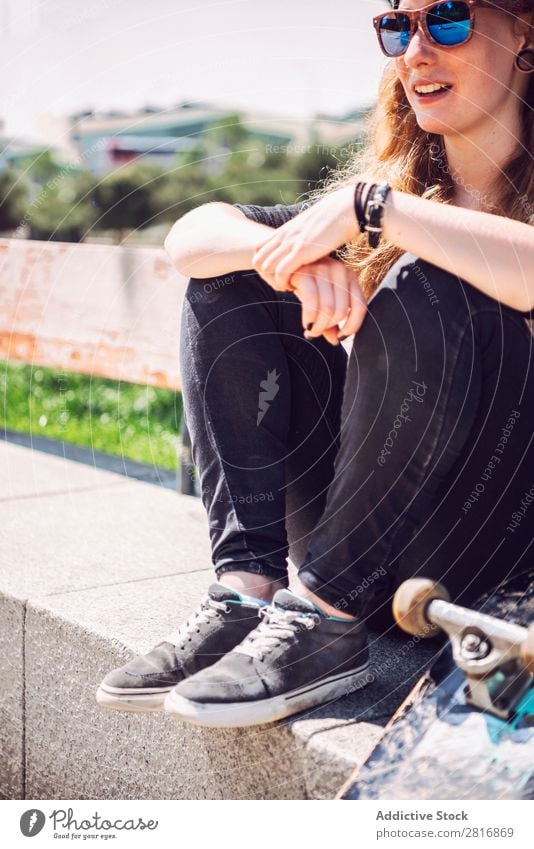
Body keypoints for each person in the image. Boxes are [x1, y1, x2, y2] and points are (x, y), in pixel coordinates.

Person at [97, 0, 534, 727]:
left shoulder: (384, 209)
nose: (417, 49)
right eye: (399, 27)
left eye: (448, 19)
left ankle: (324, 617)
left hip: (493, 556)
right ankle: (248, 596)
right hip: (369, 547)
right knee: (231, 273)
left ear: (524, 32)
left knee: (432, 278)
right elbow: (191, 236)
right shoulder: (381, 206)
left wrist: (375, 209)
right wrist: (299, 264)